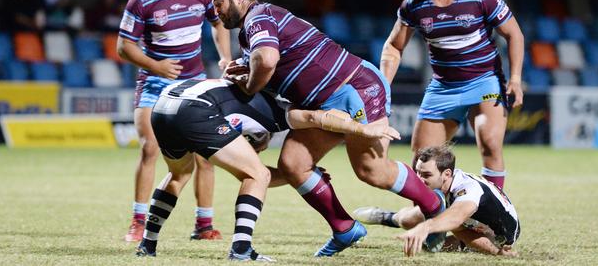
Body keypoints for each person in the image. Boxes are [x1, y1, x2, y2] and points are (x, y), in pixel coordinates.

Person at [208, 0, 446, 257]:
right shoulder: (254, 29)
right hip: (323, 102)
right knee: (294, 164)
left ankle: (435, 209)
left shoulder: (257, 17)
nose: (215, 10)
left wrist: (248, 84)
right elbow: (272, 65)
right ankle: (345, 228)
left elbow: (268, 61)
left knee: (372, 170)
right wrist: (247, 69)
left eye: (219, 2)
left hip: (355, 88)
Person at [135, 78, 401, 260]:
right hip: (195, 111)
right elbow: (314, 117)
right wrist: (363, 128)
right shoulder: (276, 112)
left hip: (163, 106)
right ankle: (241, 250)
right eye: (261, 144)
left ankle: (147, 245)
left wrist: (292, 174)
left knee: (179, 174)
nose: (262, 147)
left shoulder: (244, 98)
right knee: (256, 174)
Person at [379, 0, 524, 190]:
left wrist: (515, 80)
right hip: (443, 87)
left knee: (490, 141)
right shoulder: (414, 4)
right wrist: (383, 87)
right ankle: (434, 222)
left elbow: (514, 35)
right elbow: (393, 46)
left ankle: (493, 212)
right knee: (422, 160)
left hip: (485, 80)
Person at [117, 0, 232, 242]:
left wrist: (225, 58)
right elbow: (123, 47)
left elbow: (218, 22)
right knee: (149, 149)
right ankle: (138, 222)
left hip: (192, 86)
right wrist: (157, 67)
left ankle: (204, 225)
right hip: (154, 84)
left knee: (206, 155)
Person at [354, 145, 520, 257]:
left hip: (499, 235)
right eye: (417, 173)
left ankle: (491, 250)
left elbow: (456, 217)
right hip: (468, 222)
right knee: (406, 220)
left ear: (447, 174)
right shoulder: (447, 183)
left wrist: (425, 228)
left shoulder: (468, 189)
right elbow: (456, 221)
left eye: (426, 175)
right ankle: (387, 217)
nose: (419, 180)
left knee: (432, 246)